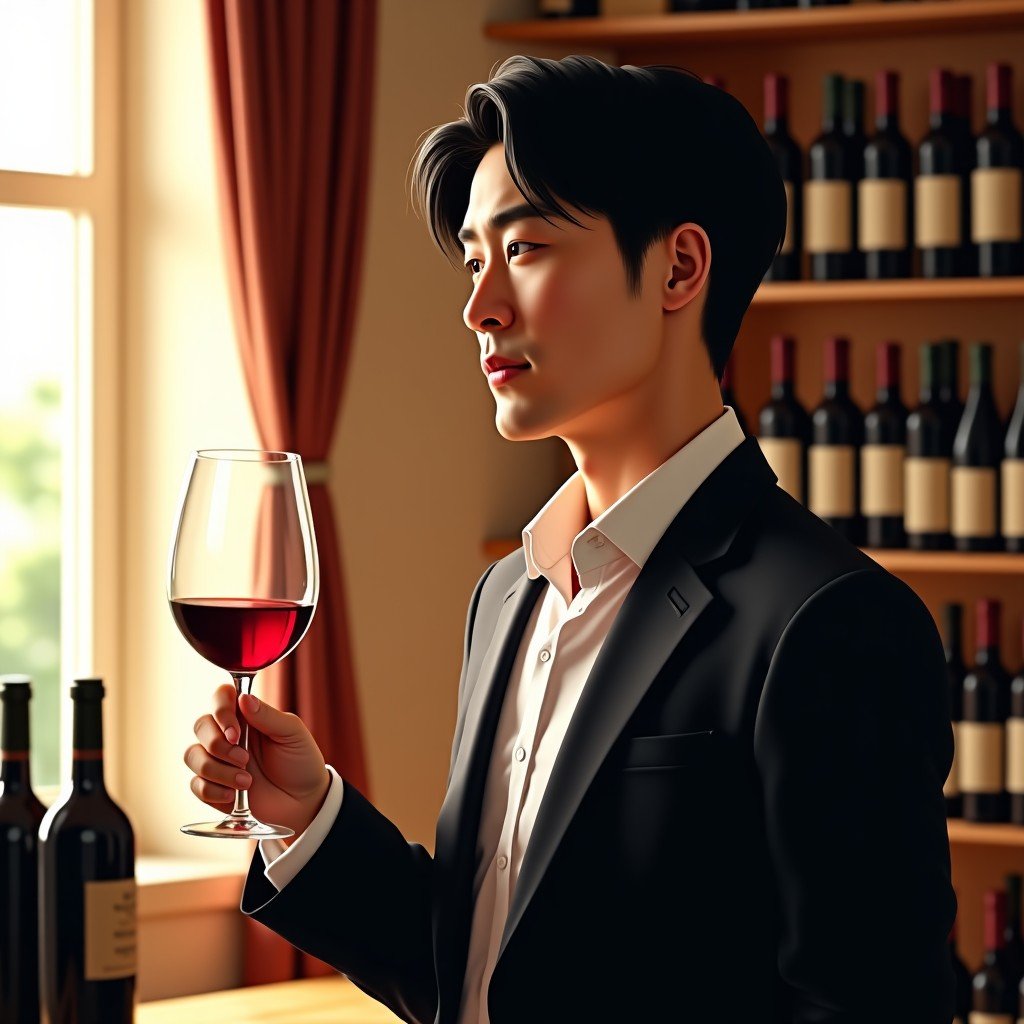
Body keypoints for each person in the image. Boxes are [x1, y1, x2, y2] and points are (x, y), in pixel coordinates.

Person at [184, 55, 956, 1023]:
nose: (480, 309)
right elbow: (479, 974)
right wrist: (307, 815)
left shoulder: (832, 625)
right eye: (473, 260)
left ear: (679, 267)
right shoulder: (510, 596)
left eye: (528, 249)